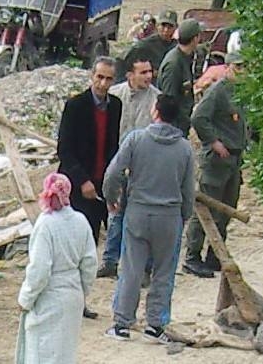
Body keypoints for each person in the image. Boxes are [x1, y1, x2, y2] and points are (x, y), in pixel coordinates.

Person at [103, 94, 195, 344]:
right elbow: (189, 191)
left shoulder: (136, 139)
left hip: (138, 212)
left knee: (131, 268)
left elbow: (113, 173)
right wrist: (183, 217)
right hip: (169, 216)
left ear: (155, 111)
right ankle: (155, 324)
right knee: (164, 271)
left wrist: (112, 198)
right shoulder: (185, 148)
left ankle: (122, 323)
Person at [15, 173, 97, 364]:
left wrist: (26, 298)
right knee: (65, 354)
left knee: (42, 354)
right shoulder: (81, 220)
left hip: (49, 296)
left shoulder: (45, 224)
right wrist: (82, 289)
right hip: (72, 294)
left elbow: (39, 269)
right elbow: (90, 263)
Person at [183, 52, 248, 277]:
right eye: (238, 67)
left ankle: (215, 255)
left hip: (234, 159)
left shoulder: (241, 93)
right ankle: (192, 256)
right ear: (228, 67)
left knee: (227, 208)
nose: (242, 71)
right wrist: (213, 141)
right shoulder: (219, 91)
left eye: (245, 67)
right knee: (206, 208)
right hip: (217, 159)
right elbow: (198, 118)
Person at [97, 58, 160, 278]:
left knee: (143, 219)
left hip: (143, 169)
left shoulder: (156, 99)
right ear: (130, 75)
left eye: (150, 71)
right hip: (117, 164)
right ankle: (110, 261)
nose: (148, 76)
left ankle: (144, 268)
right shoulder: (114, 96)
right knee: (115, 214)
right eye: (142, 72)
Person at [57, 56, 122, 244]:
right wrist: (83, 181)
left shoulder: (115, 106)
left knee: (93, 239)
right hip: (77, 185)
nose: (103, 83)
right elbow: (65, 150)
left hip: (102, 183)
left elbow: (112, 144)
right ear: (92, 76)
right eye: (99, 77)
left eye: (108, 79)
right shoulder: (75, 106)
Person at [157, 18, 202, 137]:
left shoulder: (185, 58)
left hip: (181, 125)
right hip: (173, 128)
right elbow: (168, 100)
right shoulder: (174, 64)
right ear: (195, 39)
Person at [117, 10, 178, 83]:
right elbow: (121, 60)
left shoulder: (177, 46)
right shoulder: (145, 45)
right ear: (157, 26)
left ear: (175, 28)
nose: (166, 30)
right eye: (163, 25)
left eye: (170, 27)